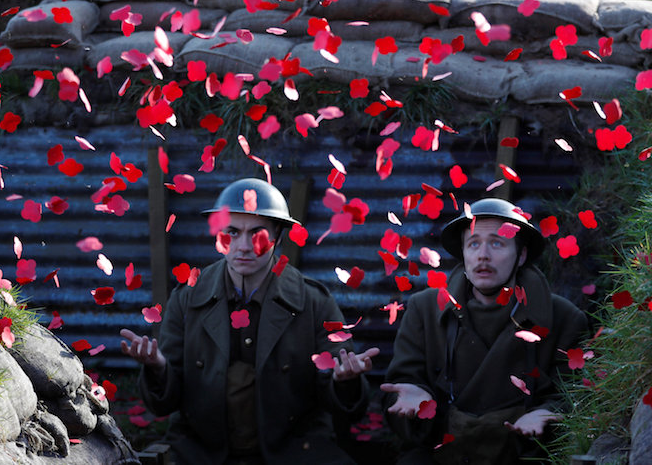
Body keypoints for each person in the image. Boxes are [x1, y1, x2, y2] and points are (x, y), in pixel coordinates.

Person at [120, 177, 379, 464]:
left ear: (278, 236)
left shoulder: (313, 301)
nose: (243, 246)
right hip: (202, 451)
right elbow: (163, 404)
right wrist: (159, 368)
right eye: (231, 232)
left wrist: (344, 381)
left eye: (257, 234)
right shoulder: (188, 298)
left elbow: (345, 406)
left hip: (294, 450)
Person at [381, 198, 588, 463]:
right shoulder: (424, 309)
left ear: (521, 254)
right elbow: (397, 395)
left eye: (498, 243)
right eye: (473, 243)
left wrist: (546, 413)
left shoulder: (564, 318)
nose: (483, 255)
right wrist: (414, 396)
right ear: (464, 253)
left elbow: (572, 399)